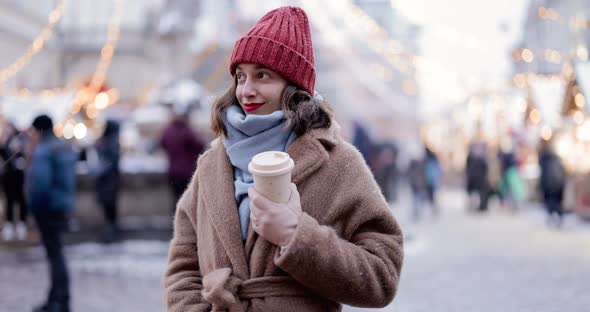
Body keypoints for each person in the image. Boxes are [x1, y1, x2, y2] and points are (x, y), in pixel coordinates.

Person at [164, 7, 403, 311]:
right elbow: (183, 264)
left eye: (262, 75)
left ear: (293, 86)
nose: (246, 90)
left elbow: (383, 276)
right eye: (240, 76)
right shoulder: (213, 163)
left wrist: (296, 236)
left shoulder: (337, 161)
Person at [27, 115, 77, 312]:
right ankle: (58, 297)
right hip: (61, 205)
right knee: (57, 253)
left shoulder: (44, 150)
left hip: (47, 208)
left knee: (54, 255)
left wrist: (33, 208)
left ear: (38, 130)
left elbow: (39, 184)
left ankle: (59, 299)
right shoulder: (62, 146)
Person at [160, 105, 206, 213]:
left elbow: (162, 144)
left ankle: (174, 221)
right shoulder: (187, 131)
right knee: (187, 199)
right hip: (186, 171)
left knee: (175, 198)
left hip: (172, 171)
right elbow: (199, 146)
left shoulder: (168, 130)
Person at [1, 122, 29, 241]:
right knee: (9, 201)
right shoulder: (4, 143)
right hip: (8, 178)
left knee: (21, 201)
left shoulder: (22, 141)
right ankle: (9, 225)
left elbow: (26, 155)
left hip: (20, 178)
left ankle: (22, 225)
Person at [94, 120, 121, 243]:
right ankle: (110, 232)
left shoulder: (103, 143)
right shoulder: (111, 143)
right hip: (109, 180)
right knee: (110, 207)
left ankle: (109, 231)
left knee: (108, 208)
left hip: (105, 180)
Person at [538, 141, 566, 227]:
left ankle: (552, 217)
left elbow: (543, 176)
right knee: (557, 202)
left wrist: (541, 186)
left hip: (549, 186)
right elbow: (562, 173)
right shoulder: (558, 160)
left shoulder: (544, 162)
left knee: (550, 202)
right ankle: (558, 218)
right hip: (558, 185)